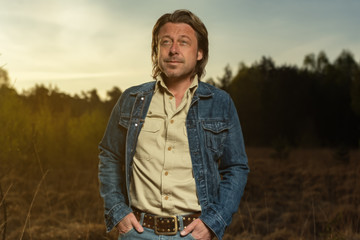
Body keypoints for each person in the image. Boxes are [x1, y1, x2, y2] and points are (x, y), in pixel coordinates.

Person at [98, 9, 249, 240]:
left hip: (193, 233)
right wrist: (118, 211)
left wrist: (213, 222)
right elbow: (109, 155)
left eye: (183, 42)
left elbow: (236, 168)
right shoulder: (130, 99)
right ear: (156, 51)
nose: (173, 49)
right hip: (137, 232)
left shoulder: (220, 103)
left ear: (199, 52)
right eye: (165, 42)